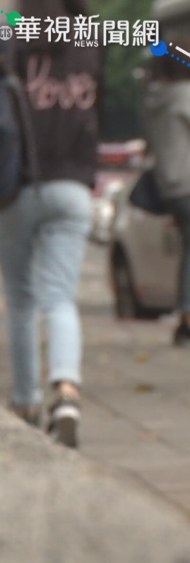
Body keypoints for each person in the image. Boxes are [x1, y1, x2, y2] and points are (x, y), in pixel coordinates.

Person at [0, 0, 102, 447]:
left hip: (13, 187)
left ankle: (25, 401)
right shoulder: (91, 37)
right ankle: (66, 391)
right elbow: (98, 111)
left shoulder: (2, 38)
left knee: (21, 300)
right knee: (61, 297)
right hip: (73, 188)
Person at [144, 37, 190, 347]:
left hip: (170, 188)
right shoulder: (184, 96)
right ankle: (187, 316)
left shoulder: (154, 99)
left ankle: (184, 322)